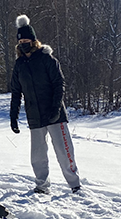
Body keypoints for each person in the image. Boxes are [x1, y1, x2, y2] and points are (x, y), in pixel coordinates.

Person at [9, 15, 82, 194]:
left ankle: (75, 184)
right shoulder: (19, 65)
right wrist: (13, 116)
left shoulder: (47, 59)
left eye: (27, 40)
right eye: (21, 41)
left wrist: (56, 108)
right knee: (38, 156)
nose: (24, 43)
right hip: (34, 116)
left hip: (54, 114)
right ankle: (42, 185)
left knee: (64, 151)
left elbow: (59, 84)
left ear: (34, 41)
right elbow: (16, 92)